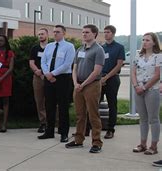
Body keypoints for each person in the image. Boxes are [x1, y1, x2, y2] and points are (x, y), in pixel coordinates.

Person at [65, 24, 105, 153]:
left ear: (94, 34)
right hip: (78, 85)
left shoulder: (98, 50)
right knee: (80, 114)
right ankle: (78, 139)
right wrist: (76, 83)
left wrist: (83, 84)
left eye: (87, 32)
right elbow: (75, 68)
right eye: (83, 32)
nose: (84, 34)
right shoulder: (80, 49)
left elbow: (96, 71)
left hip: (92, 85)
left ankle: (97, 142)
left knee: (93, 114)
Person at [38, 25, 75, 143]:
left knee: (63, 107)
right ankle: (49, 131)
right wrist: (47, 73)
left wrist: (53, 74)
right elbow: (43, 61)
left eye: (58, 32)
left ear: (64, 33)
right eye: (54, 32)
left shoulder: (69, 47)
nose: (55, 34)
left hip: (63, 79)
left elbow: (67, 64)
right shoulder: (49, 46)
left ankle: (63, 133)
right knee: (49, 106)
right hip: (49, 78)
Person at [131, 32, 161, 155]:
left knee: (153, 118)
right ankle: (142, 144)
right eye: (143, 40)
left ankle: (153, 146)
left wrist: (144, 87)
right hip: (138, 89)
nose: (144, 42)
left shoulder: (158, 56)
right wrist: (136, 86)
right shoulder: (138, 55)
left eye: (148, 40)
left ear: (154, 42)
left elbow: (157, 75)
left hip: (151, 89)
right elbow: (133, 72)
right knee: (142, 118)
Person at [100, 25, 125, 139]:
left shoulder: (119, 47)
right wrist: (101, 78)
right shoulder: (101, 47)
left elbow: (119, 64)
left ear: (113, 33)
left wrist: (107, 77)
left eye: (108, 32)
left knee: (112, 104)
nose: (106, 34)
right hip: (100, 79)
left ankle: (110, 129)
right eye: (104, 32)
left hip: (112, 79)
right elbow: (98, 64)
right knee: (94, 104)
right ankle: (91, 127)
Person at [29, 27, 49, 133]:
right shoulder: (35, 48)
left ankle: (53, 122)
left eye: (42, 34)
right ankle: (43, 123)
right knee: (39, 100)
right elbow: (31, 62)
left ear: (47, 35)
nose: (40, 36)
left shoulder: (51, 47)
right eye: (39, 34)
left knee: (51, 100)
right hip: (38, 76)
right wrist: (37, 71)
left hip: (50, 76)